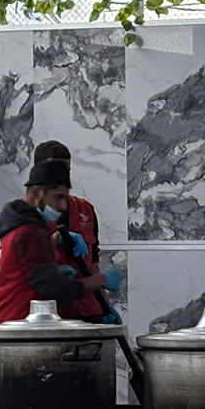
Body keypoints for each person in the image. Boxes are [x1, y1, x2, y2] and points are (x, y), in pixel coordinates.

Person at [0, 159, 111, 409]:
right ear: (37, 194)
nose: (63, 206)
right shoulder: (29, 232)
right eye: (57, 197)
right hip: (20, 339)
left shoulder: (6, 226)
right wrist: (98, 282)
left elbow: (12, 275)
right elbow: (53, 287)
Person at [33, 139, 123, 324]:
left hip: (88, 311)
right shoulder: (26, 215)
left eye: (65, 171)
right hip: (49, 316)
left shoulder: (85, 210)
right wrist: (54, 240)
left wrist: (105, 305)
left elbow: (93, 261)